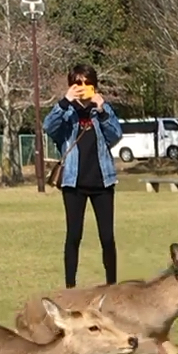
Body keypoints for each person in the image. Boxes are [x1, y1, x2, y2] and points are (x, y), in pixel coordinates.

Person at [43, 64, 122, 288]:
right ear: (71, 85)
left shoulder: (101, 110)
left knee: (107, 237)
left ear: (94, 86)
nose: (83, 87)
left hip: (102, 182)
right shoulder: (66, 113)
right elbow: (49, 127)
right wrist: (64, 101)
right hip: (73, 183)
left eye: (88, 83)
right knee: (74, 236)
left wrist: (103, 109)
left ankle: (112, 285)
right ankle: (70, 287)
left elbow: (116, 136)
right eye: (78, 83)